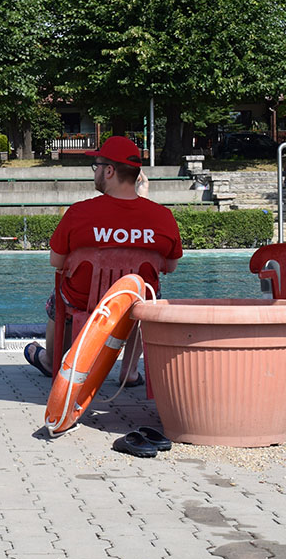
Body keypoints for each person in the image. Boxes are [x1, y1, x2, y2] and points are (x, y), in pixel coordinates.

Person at [23, 136, 182, 385]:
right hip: (134, 305)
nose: (95, 171)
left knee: (59, 297)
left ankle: (51, 361)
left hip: (84, 303)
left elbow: (56, 261)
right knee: (150, 295)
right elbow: (169, 267)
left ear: (109, 171)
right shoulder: (162, 217)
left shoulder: (79, 213)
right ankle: (129, 371)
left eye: (96, 166)